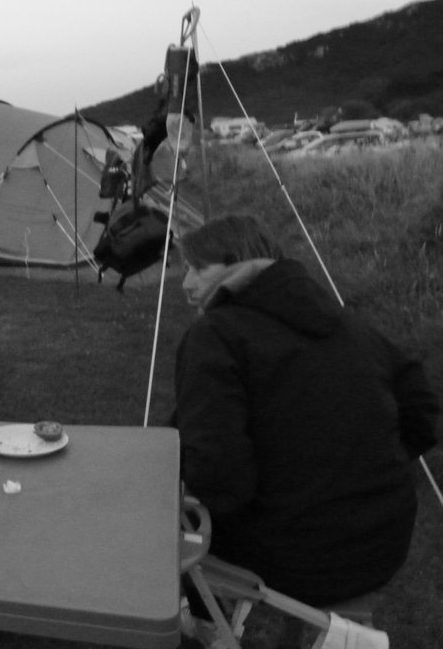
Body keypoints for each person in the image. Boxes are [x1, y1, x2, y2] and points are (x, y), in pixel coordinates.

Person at [174, 214, 438, 611]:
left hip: (297, 559)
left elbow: (220, 478)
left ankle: (199, 625)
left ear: (236, 262)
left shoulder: (217, 335)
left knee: (166, 526)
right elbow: (423, 412)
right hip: (383, 545)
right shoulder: (350, 324)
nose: (186, 284)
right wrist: (371, 462)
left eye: (198, 268)